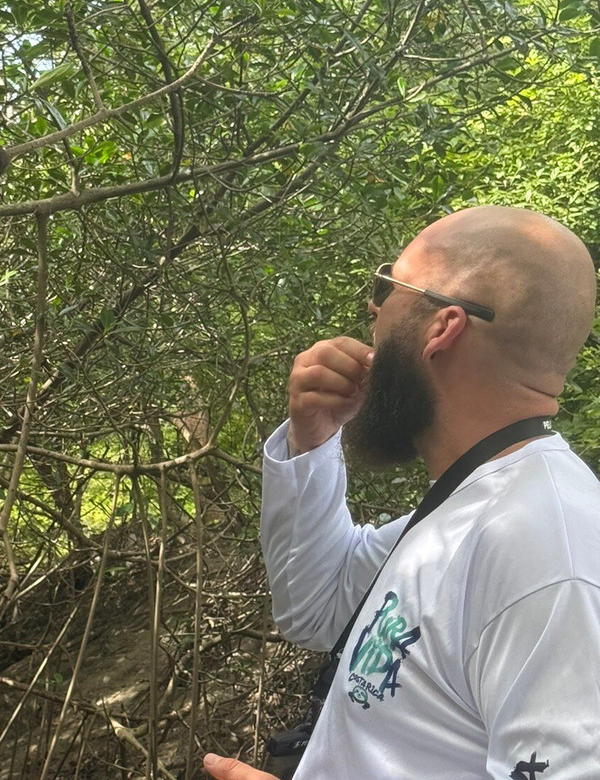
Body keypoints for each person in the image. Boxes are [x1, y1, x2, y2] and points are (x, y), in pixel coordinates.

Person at [204, 206, 600, 779]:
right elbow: (315, 606)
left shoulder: (548, 557)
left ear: (442, 329)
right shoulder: (470, 504)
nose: (372, 307)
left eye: (386, 286)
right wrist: (311, 440)